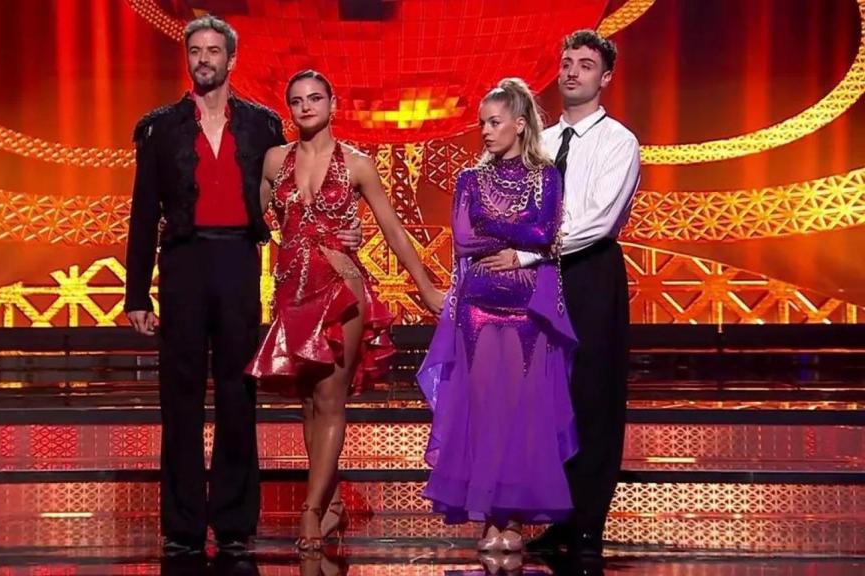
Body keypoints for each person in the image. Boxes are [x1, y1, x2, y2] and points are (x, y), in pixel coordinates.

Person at [124, 16, 362, 557]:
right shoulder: (159, 128)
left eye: (214, 50)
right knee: (179, 396)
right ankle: (182, 526)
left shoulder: (260, 125)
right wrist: (137, 294)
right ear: (187, 59)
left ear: (232, 60)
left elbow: (297, 192)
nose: (204, 58)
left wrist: (346, 227)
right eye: (195, 50)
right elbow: (142, 216)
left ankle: (233, 522)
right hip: (182, 263)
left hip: (237, 259)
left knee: (237, 392)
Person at [246, 69, 445, 553]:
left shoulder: (358, 164)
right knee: (308, 403)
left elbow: (394, 231)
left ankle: (310, 512)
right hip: (293, 293)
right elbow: (250, 224)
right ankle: (330, 502)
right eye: (297, 100)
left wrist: (427, 289)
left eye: (316, 98)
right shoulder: (274, 161)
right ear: (288, 108)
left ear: (333, 104)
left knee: (331, 400)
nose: (306, 106)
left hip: (342, 288)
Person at [417, 78, 578, 552]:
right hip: (478, 311)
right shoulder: (470, 178)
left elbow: (546, 230)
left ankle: (516, 521)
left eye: (494, 122)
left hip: (528, 311)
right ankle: (488, 517)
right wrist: (517, 234)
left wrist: (503, 229)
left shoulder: (547, 177)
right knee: (486, 412)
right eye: (482, 123)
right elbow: (466, 238)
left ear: (520, 124)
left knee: (521, 413)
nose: (485, 131)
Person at [512, 30, 641, 557]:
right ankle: (557, 517)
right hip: (535, 278)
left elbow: (598, 221)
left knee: (592, 397)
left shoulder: (619, 142)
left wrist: (528, 250)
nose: (571, 72)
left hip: (588, 273)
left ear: (604, 77)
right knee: (544, 399)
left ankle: (588, 524)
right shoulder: (535, 143)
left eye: (585, 65)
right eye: (566, 62)